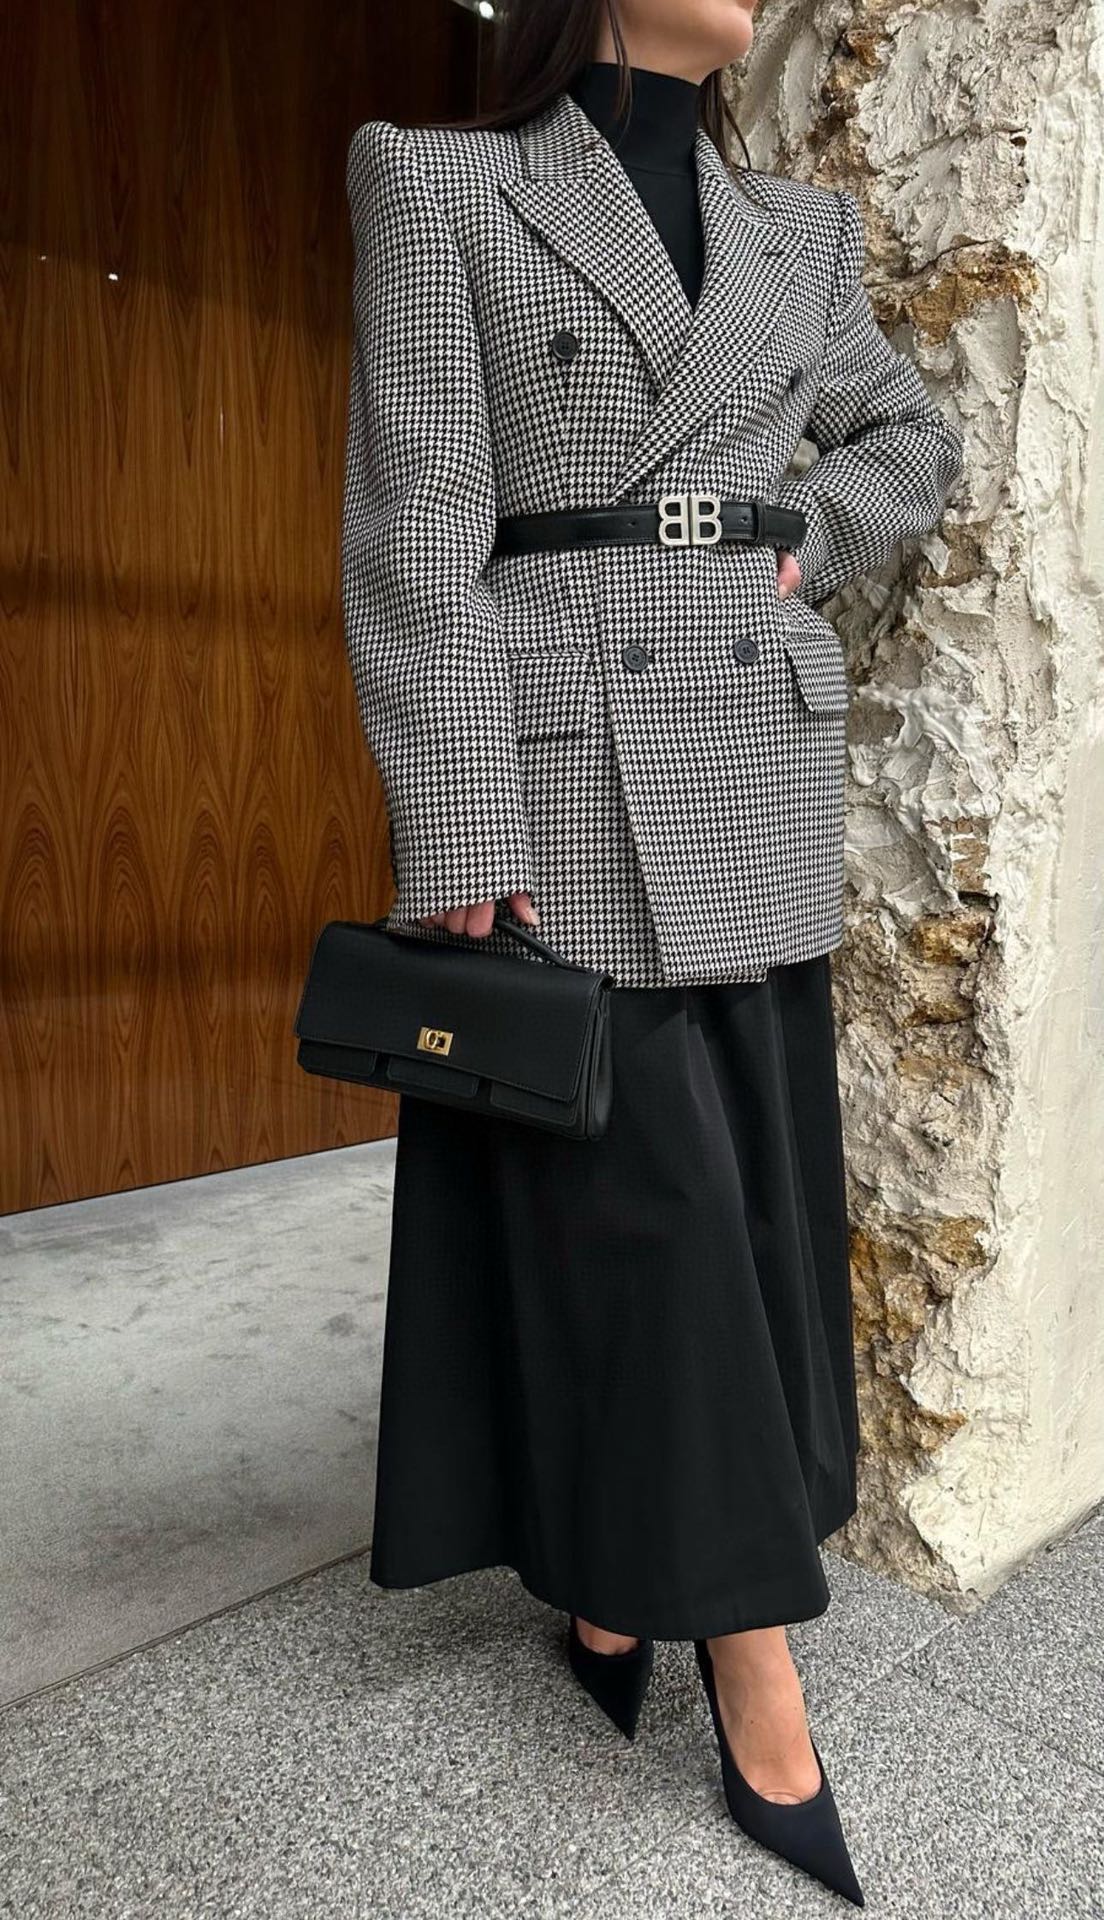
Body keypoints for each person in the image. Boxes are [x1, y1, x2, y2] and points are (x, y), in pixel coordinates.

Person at [340, 1, 963, 1906]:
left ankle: (614, 1598)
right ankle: (756, 1679)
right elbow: (419, 523)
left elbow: (912, 435)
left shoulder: (798, 234)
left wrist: (805, 537)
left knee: (731, 1205)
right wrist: (457, 815)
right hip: (563, 760)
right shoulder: (441, 185)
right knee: (655, 1218)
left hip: (748, 748)